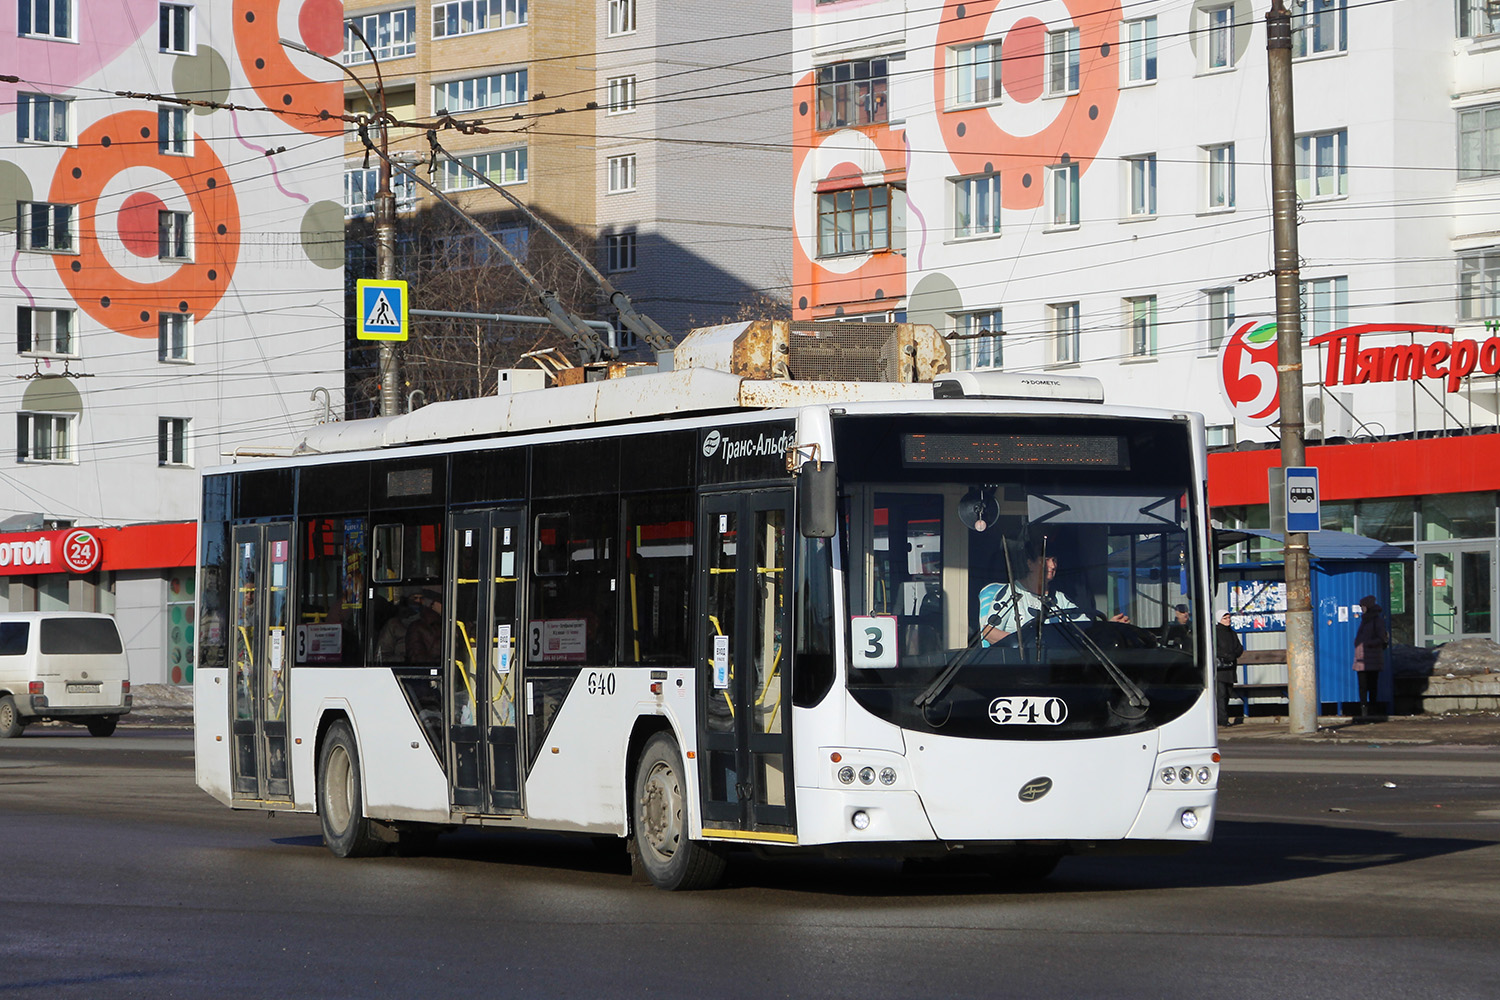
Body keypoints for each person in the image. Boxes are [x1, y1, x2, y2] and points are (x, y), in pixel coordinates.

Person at [977, 538, 1128, 646]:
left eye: (1054, 560)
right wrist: (1023, 643)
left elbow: (1083, 628)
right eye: (1046, 559)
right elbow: (989, 631)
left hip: (1053, 669)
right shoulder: (1011, 593)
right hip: (1019, 669)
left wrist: (1108, 627)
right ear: (1030, 564)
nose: (1052, 565)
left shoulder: (1060, 599)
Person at [1352, 595, 1390, 716]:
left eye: (1362, 606)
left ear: (1367, 607)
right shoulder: (1365, 620)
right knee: (1363, 686)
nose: (1361, 609)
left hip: (1371, 657)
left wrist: (1366, 644)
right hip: (1361, 658)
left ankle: (1371, 709)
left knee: (1371, 685)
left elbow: (1381, 638)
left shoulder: (1377, 621)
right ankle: (1364, 709)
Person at [1214, 611, 1243, 726]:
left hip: (1230, 668)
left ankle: (1222, 718)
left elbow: (1239, 647)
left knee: (1228, 693)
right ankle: (1222, 719)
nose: (1228, 620)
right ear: (1219, 619)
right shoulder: (1215, 633)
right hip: (1220, 669)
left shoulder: (1232, 633)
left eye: (1229, 618)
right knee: (1221, 694)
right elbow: (1215, 648)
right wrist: (1226, 655)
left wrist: (1234, 655)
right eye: (1225, 618)